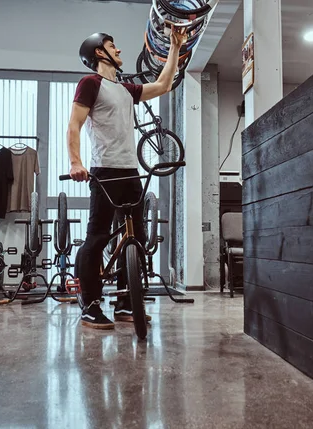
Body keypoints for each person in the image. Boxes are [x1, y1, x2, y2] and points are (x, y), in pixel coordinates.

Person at [67, 28, 187, 329]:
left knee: (136, 237)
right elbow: (74, 125)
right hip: (104, 171)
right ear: (99, 52)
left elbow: (162, 85)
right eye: (113, 46)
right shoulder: (90, 83)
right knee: (97, 236)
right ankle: (90, 304)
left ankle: (124, 302)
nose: (119, 51)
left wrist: (174, 48)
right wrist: (75, 162)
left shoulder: (124, 88)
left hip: (130, 172)